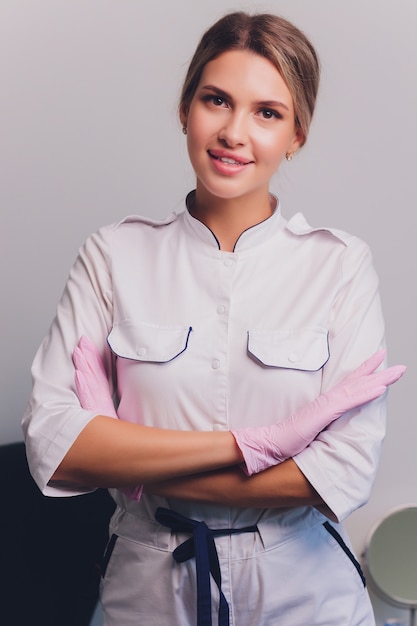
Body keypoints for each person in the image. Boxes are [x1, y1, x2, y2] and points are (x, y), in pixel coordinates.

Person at [22, 11, 406, 626]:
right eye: (216, 100)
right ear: (185, 108)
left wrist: (129, 457)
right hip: (149, 587)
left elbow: (343, 473)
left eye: (267, 113)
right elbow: (55, 450)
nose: (233, 131)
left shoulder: (339, 266)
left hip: (304, 593)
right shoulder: (113, 256)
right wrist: (255, 448)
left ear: (296, 134)